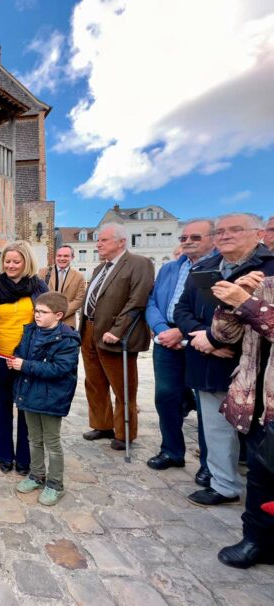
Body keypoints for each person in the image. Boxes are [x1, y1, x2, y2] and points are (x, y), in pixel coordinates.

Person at [175, 213, 274, 506]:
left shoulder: (268, 268)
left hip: (252, 368)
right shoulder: (204, 268)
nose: (225, 235)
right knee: (215, 429)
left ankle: (260, 499)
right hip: (205, 358)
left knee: (258, 436)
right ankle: (222, 484)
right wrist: (201, 337)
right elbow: (182, 309)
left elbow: (261, 318)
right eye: (221, 231)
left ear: (257, 233)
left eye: (235, 230)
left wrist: (215, 339)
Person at [211, 272, 274, 568]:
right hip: (256, 394)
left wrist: (246, 303)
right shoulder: (267, 284)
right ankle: (256, 541)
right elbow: (224, 334)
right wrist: (230, 302)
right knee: (261, 474)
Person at [144, 219, 215, 482]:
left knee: (207, 406)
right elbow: (152, 302)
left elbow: (217, 310)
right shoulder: (169, 268)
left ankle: (211, 465)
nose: (187, 242)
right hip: (165, 340)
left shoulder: (217, 268)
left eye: (195, 237)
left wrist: (182, 332)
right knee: (166, 397)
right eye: (183, 238)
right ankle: (171, 450)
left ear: (212, 239)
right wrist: (162, 328)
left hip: (201, 341)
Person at [79, 223, 154, 450]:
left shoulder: (139, 264)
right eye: (98, 240)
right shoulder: (99, 269)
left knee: (123, 387)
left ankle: (124, 433)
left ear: (121, 241)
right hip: (89, 331)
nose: (98, 244)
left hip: (115, 335)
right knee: (94, 382)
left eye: (103, 240)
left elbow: (136, 301)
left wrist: (117, 330)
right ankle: (102, 424)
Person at [0, 241, 48, 474]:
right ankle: (4, 454)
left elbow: (47, 319)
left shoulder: (39, 286)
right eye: (7, 261)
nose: (10, 265)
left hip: (29, 358)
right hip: (0, 355)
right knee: (4, 403)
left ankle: (24, 457)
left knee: (25, 407)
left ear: (26, 262)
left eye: (16, 262)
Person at [9, 292, 80, 506]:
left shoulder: (67, 339)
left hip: (51, 398)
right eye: (35, 311)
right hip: (30, 393)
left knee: (51, 442)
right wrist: (14, 360)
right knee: (34, 438)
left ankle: (55, 484)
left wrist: (25, 365)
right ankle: (37, 475)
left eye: (42, 312)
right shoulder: (31, 331)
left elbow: (61, 368)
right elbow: (21, 352)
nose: (36, 315)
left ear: (58, 315)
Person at [38, 245, 86, 329]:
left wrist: (58, 314)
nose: (62, 258)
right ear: (55, 257)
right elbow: (38, 295)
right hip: (46, 322)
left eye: (66, 256)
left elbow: (79, 300)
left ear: (72, 257)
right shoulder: (43, 272)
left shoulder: (79, 276)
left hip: (67, 323)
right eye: (59, 255)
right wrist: (49, 314)